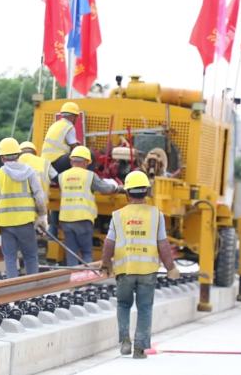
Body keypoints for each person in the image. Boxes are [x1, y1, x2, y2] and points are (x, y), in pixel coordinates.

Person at [100, 170, 180, 359]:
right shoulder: (156, 215)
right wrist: (171, 268)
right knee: (144, 307)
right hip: (147, 272)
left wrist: (105, 264)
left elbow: (109, 243)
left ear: (127, 193)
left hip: (124, 271)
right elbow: (163, 244)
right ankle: (140, 348)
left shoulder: (118, 215)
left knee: (123, 304)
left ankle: (125, 341)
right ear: (147, 192)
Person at [0, 137, 47, 278]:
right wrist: (42, 216)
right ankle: (32, 290)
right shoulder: (30, 173)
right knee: (30, 256)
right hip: (25, 222)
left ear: (2, 158)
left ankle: (12, 291)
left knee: (10, 259)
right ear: (18, 155)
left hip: (6, 225)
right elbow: (39, 197)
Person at [58, 145, 119, 266]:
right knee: (86, 252)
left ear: (71, 161)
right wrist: (116, 187)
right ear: (86, 162)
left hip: (66, 219)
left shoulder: (62, 176)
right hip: (83, 219)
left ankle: (74, 280)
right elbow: (105, 188)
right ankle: (86, 280)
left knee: (72, 252)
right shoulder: (89, 176)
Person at [41, 102, 81, 174]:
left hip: (45, 165)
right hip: (56, 163)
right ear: (73, 116)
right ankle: (80, 176)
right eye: (76, 116)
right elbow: (75, 149)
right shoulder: (69, 126)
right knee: (81, 155)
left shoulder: (55, 124)